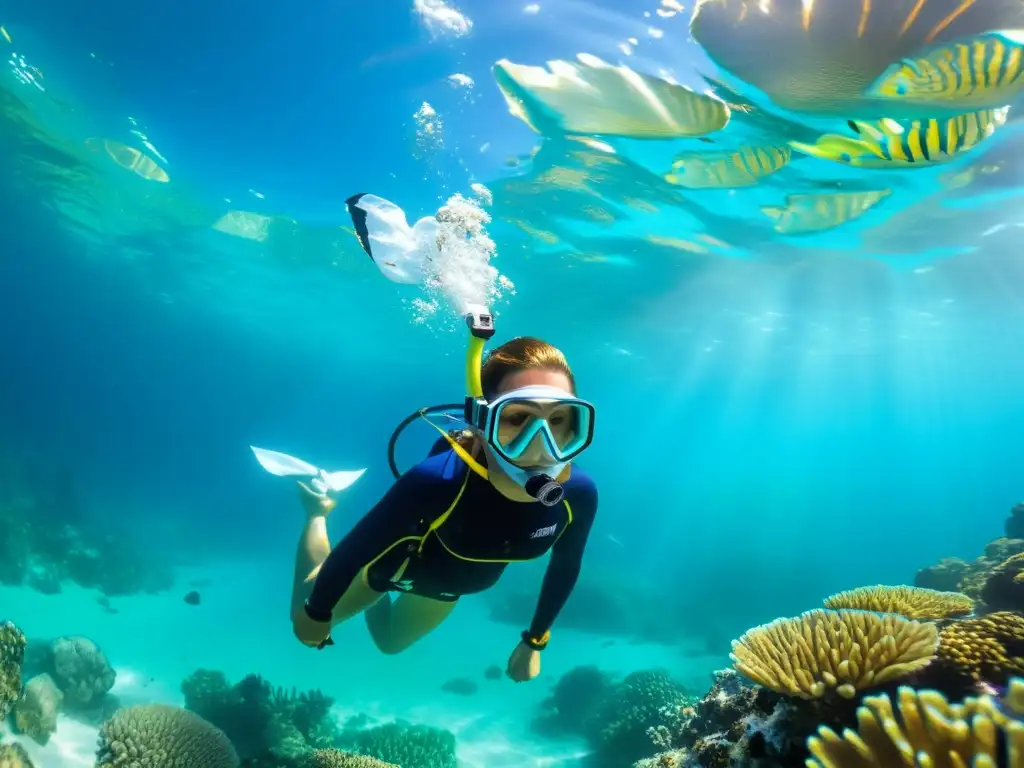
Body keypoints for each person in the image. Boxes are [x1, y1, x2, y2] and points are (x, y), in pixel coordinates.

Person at [288, 310, 598, 683]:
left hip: (449, 586)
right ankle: (318, 510)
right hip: (386, 566)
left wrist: (534, 642)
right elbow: (355, 550)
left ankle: (370, 598)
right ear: (481, 423)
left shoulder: (577, 494)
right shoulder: (435, 482)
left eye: (559, 421)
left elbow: (565, 566)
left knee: (389, 643)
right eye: (517, 420)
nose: (540, 447)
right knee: (301, 622)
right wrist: (319, 612)